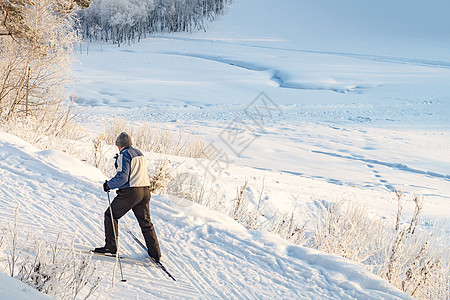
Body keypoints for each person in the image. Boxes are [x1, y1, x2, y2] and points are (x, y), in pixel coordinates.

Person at [94, 132, 161, 263]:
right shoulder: (139, 153)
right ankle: (155, 253)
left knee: (110, 215)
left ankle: (111, 247)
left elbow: (123, 177)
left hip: (131, 192)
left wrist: (108, 185)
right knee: (146, 222)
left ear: (119, 145)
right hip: (145, 190)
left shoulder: (124, 155)